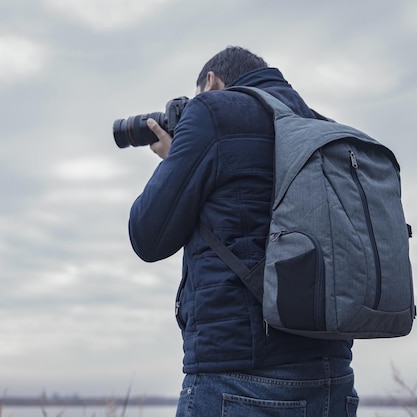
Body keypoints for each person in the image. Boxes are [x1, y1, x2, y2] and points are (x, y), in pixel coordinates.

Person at [128, 46, 358, 417]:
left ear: (211, 81)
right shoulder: (322, 129)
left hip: (239, 379)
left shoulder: (210, 111)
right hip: (334, 380)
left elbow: (147, 235)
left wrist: (175, 160)